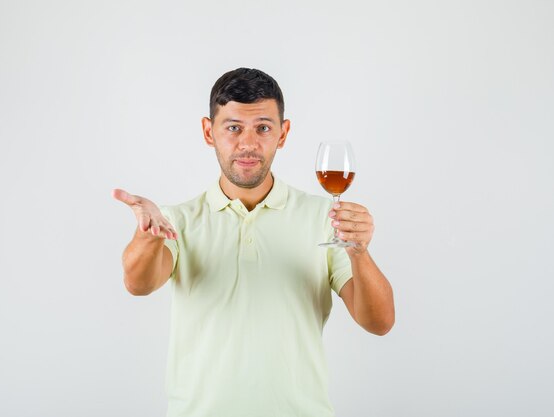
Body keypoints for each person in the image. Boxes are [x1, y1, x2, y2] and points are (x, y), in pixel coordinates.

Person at [112, 68, 395, 417]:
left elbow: (379, 322)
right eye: (233, 128)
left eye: (263, 128)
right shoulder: (176, 221)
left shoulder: (325, 218)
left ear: (283, 133)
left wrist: (360, 253)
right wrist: (147, 235)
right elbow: (138, 284)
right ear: (208, 132)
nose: (247, 143)